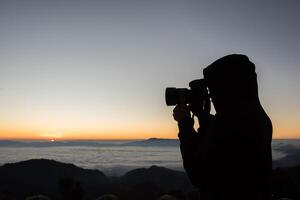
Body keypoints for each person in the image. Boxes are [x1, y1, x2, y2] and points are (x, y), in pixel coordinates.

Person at [172, 54, 272, 200]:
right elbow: (218, 150)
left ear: (227, 86)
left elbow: (198, 173)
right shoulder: (255, 115)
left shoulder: (230, 122)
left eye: (213, 91)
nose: (212, 96)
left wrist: (184, 124)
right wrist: (203, 116)